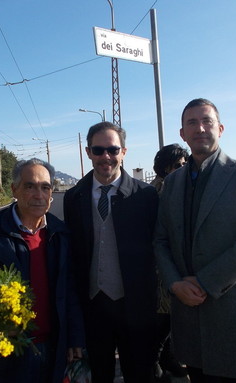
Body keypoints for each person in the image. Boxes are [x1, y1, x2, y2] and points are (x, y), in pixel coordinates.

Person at [154, 98, 236, 383]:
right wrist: (175, 283)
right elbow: (160, 240)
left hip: (232, 319)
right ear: (182, 134)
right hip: (189, 322)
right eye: (192, 123)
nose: (200, 128)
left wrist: (203, 282)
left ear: (220, 128)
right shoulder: (172, 183)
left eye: (207, 121)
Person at [0, 158, 84, 383]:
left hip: (53, 348)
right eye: (29, 186)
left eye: (45, 187)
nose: (38, 194)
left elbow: (70, 290)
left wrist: (75, 338)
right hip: (4, 353)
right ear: (14, 190)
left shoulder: (60, 233)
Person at [63, 121, 159, 383]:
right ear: (88, 152)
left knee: (140, 375)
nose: (106, 156)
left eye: (113, 150)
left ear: (124, 152)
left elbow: (160, 249)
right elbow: (73, 256)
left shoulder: (147, 196)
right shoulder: (74, 197)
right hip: (93, 310)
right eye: (98, 149)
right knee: (100, 376)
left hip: (137, 310)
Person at [150, 144, 189, 382]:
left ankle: (166, 359)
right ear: (165, 168)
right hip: (160, 269)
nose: (182, 169)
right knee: (162, 321)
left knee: (170, 320)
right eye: (177, 165)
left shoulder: (174, 188)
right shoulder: (159, 192)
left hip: (172, 267)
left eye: (184, 165)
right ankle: (155, 364)